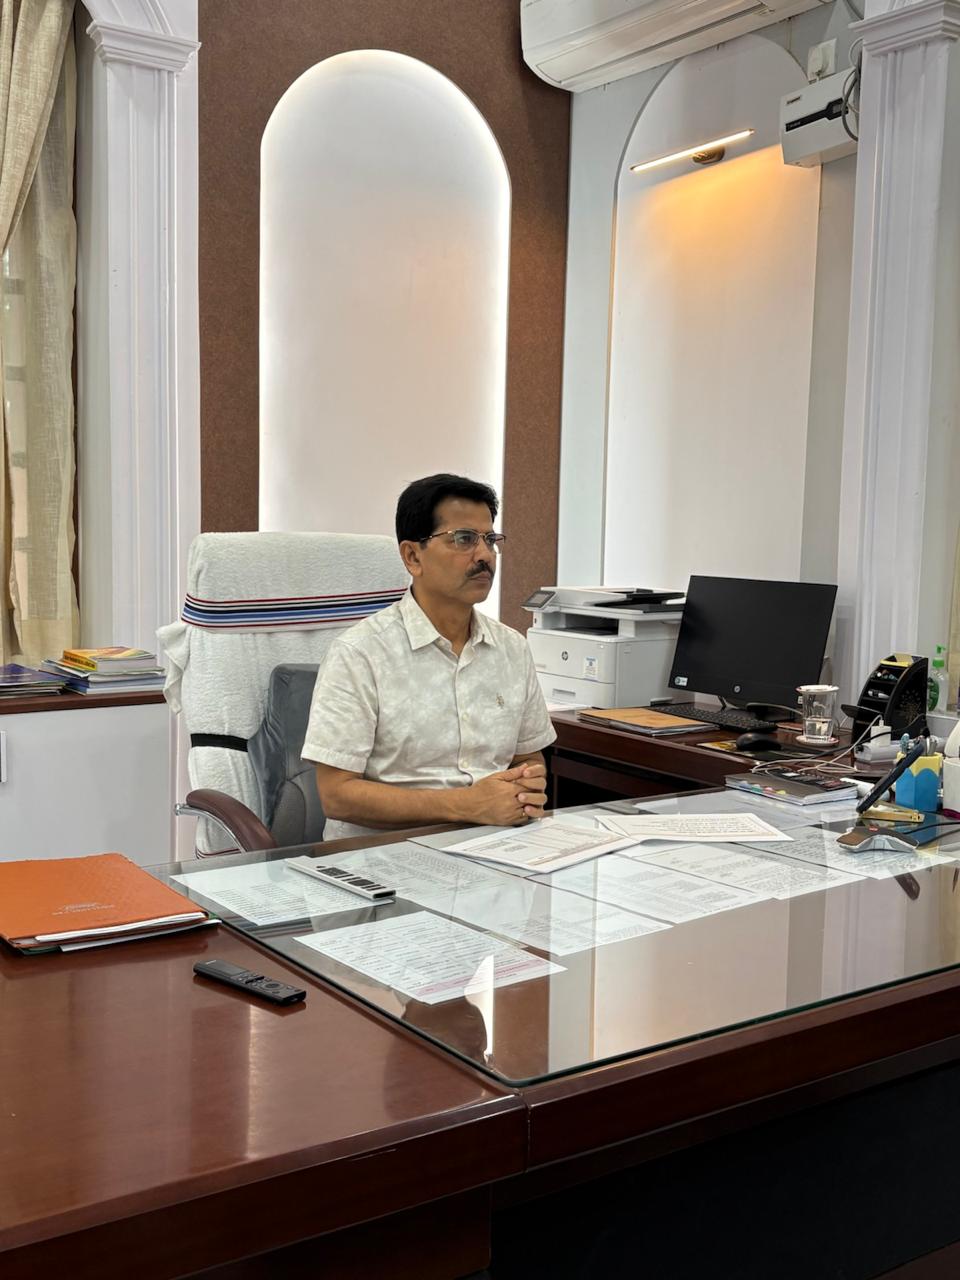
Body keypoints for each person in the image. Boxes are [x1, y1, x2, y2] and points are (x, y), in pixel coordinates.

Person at [301, 473, 556, 840]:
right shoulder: (359, 654)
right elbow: (337, 795)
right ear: (412, 556)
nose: (485, 555)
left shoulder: (512, 649)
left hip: (493, 847)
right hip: (381, 857)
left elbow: (528, 757)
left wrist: (527, 782)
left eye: (490, 539)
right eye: (464, 539)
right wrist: (466, 805)